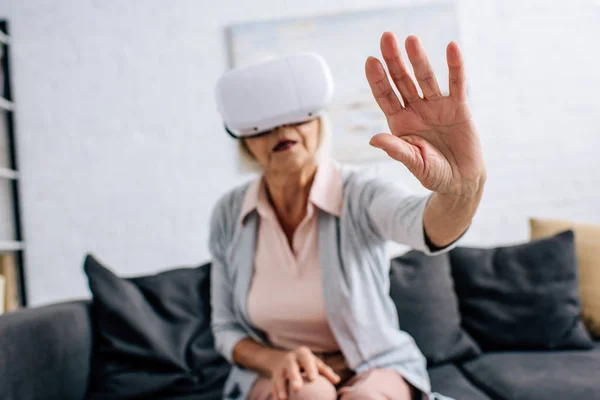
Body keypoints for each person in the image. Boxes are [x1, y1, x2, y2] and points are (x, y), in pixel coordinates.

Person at [209, 31, 486, 400]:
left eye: (296, 116)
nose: (282, 130)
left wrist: (460, 189)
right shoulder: (229, 214)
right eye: (264, 124)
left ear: (319, 121)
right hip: (282, 372)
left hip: (375, 364)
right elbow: (226, 328)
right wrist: (275, 360)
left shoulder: (358, 193)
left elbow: (425, 226)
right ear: (245, 139)